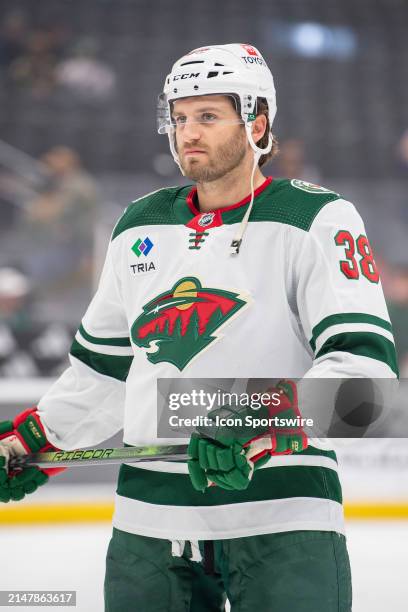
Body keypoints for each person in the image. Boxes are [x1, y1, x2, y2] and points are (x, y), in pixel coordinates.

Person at [0, 44, 397, 611]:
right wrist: (30, 444)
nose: (187, 131)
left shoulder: (315, 218)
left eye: (208, 116)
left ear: (257, 122)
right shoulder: (140, 223)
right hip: (150, 524)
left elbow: (365, 380)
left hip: (283, 518)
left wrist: (252, 423)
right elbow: (105, 375)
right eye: (179, 117)